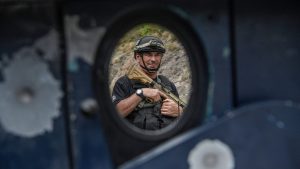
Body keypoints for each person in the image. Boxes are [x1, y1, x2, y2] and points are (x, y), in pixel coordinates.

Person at [111, 35, 183, 130]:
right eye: (148, 54)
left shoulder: (168, 84)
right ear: (137, 57)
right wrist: (141, 93)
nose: (153, 59)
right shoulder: (124, 83)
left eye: (157, 55)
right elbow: (116, 114)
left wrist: (180, 111)